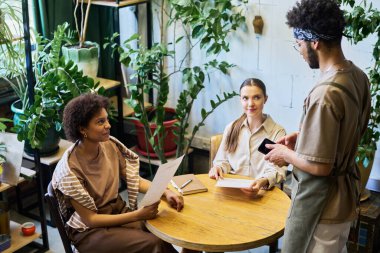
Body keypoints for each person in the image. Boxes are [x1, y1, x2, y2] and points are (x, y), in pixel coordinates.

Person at [264, 1, 371, 252]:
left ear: (314, 42)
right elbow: (346, 132)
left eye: (299, 45)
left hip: (322, 207)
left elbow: (321, 166)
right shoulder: (356, 76)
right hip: (343, 200)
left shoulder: (325, 93)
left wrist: (286, 154)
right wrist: (303, 138)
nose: (300, 52)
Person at [51, 93, 192, 253]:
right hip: (90, 231)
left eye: (107, 119)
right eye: (100, 122)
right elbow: (91, 220)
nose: (108, 125)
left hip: (117, 211)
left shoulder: (109, 145)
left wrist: (165, 192)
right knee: (154, 244)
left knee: (161, 233)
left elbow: (134, 180)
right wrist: (137, 215)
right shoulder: (69, 170)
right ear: (82, 129)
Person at [209, 78, 287, 196]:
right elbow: (222, 161)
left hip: (262, 193)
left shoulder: (277, 132)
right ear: (240, 100)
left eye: (256, 97)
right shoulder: (231, 128)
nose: (250, 104)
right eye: (245, 98)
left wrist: (262, 181)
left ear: (265, 99)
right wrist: (218, 168)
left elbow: (276, 170)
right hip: (233, 192)